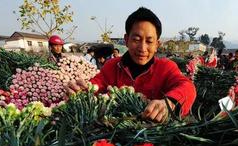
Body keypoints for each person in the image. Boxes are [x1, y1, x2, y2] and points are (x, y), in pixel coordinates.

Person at [66, 7, 196, 123]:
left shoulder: (166, 67)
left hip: (152, 137)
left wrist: (169, 103)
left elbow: (187, 87)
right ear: (126, 39)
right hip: (116, 135)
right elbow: (97, 84)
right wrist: (82, 90)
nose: (142, 48)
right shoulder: (112, 66)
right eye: (136, 39)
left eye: (149, 41)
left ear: (157, 45)